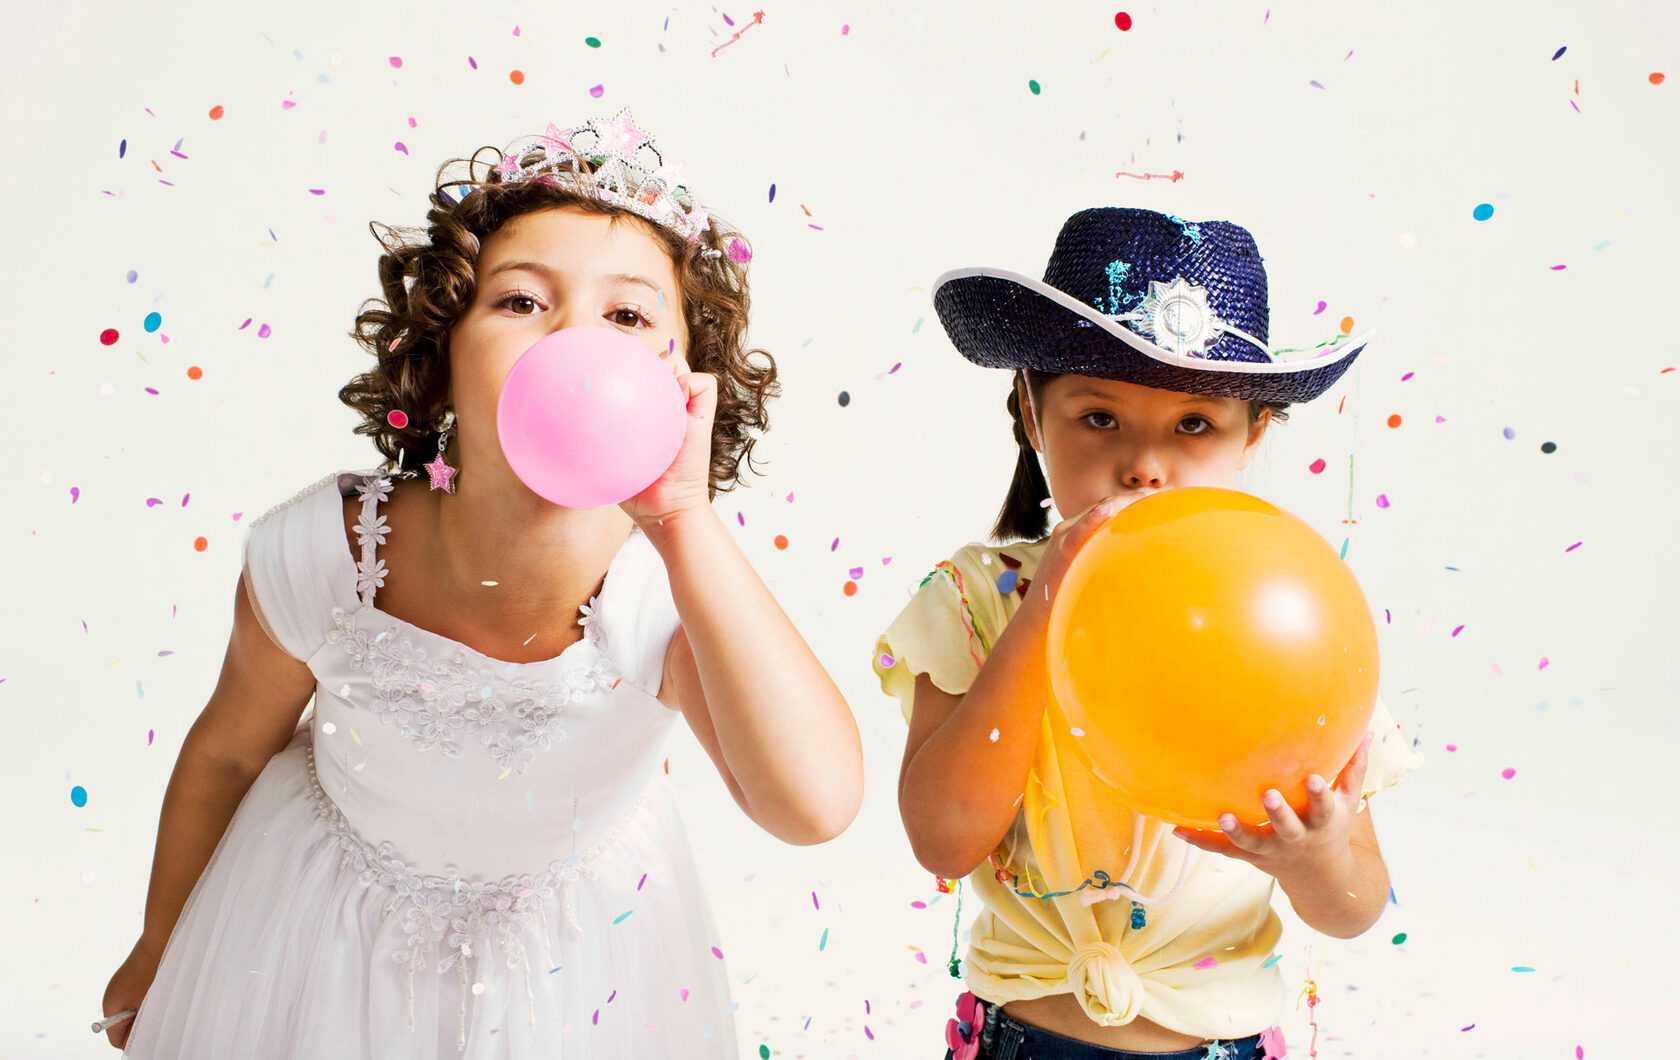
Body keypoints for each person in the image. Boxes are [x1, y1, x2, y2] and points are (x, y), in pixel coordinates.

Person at [101, 109, 864, 1059]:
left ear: (684, 384)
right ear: (439, 354)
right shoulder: (332, 555)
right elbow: (223, 755)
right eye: (521, 302)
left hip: (574, 965)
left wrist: (685, 522)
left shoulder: (667, 591)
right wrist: (161, 943)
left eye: (626, 316)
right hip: (316, 930)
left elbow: (815, 803)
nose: (570, 343)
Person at [876, 208, 1422, 1059]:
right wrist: (1048, 599)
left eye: (1194, 425)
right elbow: (942, 839)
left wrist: (1311, 857)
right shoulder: (976, 600)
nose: (1144, 466)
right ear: (1030, 411)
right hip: (1024, 1041)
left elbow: (1352, 908)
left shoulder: (1289, 618)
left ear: (1253, 435)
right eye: (1100, 419)